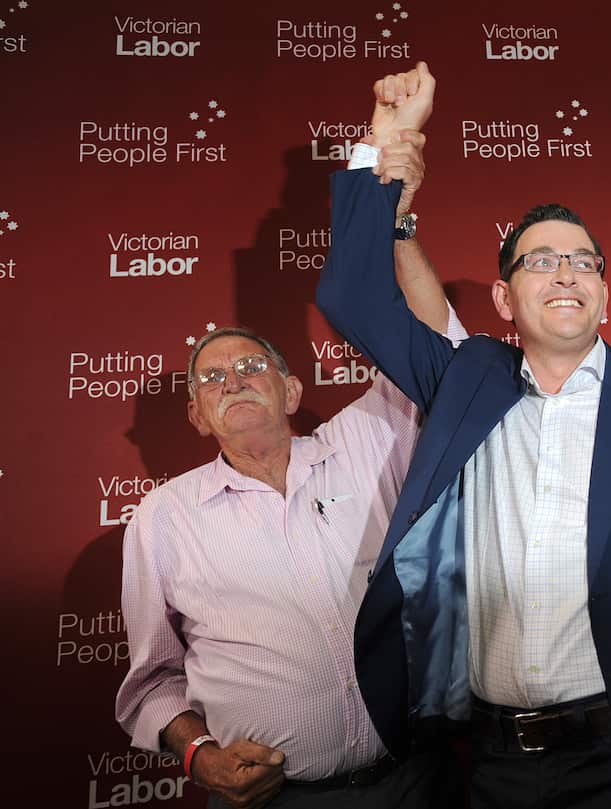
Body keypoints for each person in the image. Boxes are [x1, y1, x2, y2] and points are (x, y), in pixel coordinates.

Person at [317, 62, 611, 809]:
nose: (565, 273)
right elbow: (351, 297)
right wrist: (381, 151)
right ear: (505, 297)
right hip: (494, 766)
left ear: (603, 292)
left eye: (582, 262)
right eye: (540, 260)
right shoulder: (469, 379)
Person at [115, 135, 469, 809]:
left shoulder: (363, 441)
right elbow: (153, 681)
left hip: (416, 783)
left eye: (253, 367)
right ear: (196, 416)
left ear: (293, 392)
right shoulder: (164, 517)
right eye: (212, 378)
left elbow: (434, 351)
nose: (233, 381)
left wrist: (394, 222)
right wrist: (199, 755)